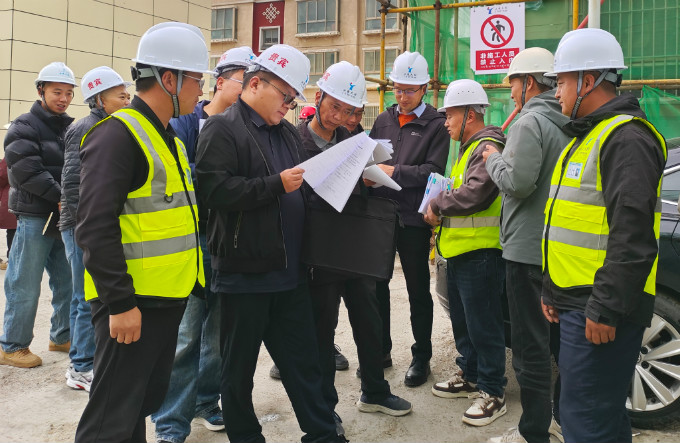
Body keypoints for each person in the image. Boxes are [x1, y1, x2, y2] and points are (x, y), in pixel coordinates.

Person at [195, 44, 345, 443]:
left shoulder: (287, 134)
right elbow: (213, 191)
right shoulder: (222, 129)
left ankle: (323, 435)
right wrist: (274, 185)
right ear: (256, 83)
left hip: (289, 273)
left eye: (293, 99)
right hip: (244, 275)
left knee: (303, 363)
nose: (288, 105)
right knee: (238, 371)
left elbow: (301, 187)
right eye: (285, 96)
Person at [74, 22, 209, 442]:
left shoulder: (169, 138)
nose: (200, 90)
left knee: (136, 406)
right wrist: (120, 303)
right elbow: (94, 227)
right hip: (132, 304)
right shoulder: (117, 136)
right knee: (110, 419)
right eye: (197, 80)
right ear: (169, 80)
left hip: (166, 298)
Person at [541, 28, 666, 443]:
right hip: (576, 302)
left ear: (588, 81)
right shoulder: (587, 135)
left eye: (561, 81)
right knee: (599, 416)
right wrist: (552, 290)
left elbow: (633, 236)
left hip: (599, 308)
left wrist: (607, 307)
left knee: (585, 420)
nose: (556, 91)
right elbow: (568, 226)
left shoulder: (626, 138)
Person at [298, 61, 412, 424]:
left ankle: (374, 391)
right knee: (322, 331)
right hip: (319, 251)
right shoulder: (296, 142)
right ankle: (324, 410)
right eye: (336, 107)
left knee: (369, 320)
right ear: (319, 97)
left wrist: (369, 181)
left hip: (354, 245)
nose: (341, 116)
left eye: (349, 111)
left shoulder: (352, 140)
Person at [151, 45, 255, 443]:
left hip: (230, 241)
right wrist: (223, 181)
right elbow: (178, 177)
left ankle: (207, 401)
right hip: (195, 241)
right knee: (186, 334)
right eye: (244, 78)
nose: (249, 86)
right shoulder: (186, 123)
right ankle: (170, 422)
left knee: (217, 333)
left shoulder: (247, 128)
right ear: (220, 81)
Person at [482, 48, 570, 443]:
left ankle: (534, 431)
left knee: (530, 347)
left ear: (529, 82)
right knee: (563, 345)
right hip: (559, 252)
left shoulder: (530, 121)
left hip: (525, 252)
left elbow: (517, 183)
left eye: (514, 84)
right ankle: (562, 418)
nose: (512, 92)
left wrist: (492, 158)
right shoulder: (570, 121)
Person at [424, 79, 507, 427]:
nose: (446, 122)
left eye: (451, 115)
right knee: (465, 323)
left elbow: (476, 195)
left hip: (481, 254)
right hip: (461, 252)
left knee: (484, 326)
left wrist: (437, 204)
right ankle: (470, 375)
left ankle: (492, 392)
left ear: (470, 115)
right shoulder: (468, 148)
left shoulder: (487, 146)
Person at [368, 51, 449, 387]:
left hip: (413, 220)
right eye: (398, 90)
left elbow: (433, 170)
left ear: (424, 89)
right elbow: (371, 157)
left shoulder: (436, 125)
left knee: (417, 289)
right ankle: (381, 350)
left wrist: (395, 172)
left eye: (409, 91)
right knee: (377, 286)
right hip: (381, 216)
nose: (402, 97)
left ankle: (421, 356)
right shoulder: (383, 120)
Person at [0, 62, 75, 369]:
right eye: (57, 92)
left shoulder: (69, 128)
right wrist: (62, 197)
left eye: (69, 93)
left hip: (61, 218)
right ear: (41, 90)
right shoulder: (23, 126)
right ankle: (12, 346)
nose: (64, 98)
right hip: (34, 217)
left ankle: (62, 336)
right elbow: (26, 171)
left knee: (67, 281)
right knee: (24, 284)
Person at [60, 66, 131, 392]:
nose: (127, 100)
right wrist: (87, 228)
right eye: (121, 96)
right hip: (80, 226)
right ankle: (80, 368)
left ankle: (90, 362)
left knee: (93, 296)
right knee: (84, 297)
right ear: (100, 99)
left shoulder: (111, 127)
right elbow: (74, 184)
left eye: (127, 95)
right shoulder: (85, 128)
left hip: (89, 225)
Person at [0, 158, 16, 271]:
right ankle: (12, 258)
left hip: (10, 197)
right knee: (13, 230)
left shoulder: (10, 156)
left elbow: (2, 176)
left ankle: (12, 258)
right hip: (16, 197)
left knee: (12, 229)